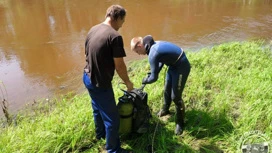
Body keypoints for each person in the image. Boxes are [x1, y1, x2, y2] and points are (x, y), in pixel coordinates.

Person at [83, 5, 134, 153]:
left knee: (97, 108)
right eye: (122, 21)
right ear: (116, 18)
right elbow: (119, 66)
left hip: (87, 77)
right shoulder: (114, 36)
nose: (122, 25)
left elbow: (87, 53)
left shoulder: (93, 29)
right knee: (112, 119)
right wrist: (128, 83)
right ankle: (113, 149)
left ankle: (101, 135)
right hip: (100, 83)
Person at [130, 35, 191, 135]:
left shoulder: (152, 53)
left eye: (137, 52)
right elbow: (161, 61)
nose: (139, 54)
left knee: (176, 97)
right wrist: (154, 71)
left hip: (181, 67)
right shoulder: (152, 45)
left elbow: (154, 78)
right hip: (173, 66)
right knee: (167, 89)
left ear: (140, 45)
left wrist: (146, 80)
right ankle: (165, 110)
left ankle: (180, 122)